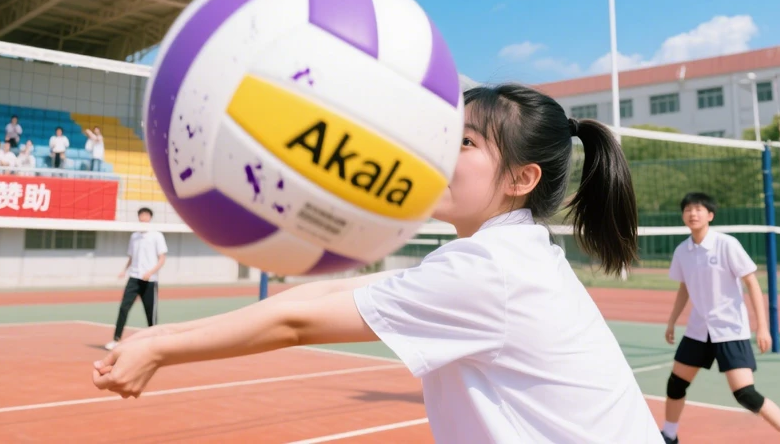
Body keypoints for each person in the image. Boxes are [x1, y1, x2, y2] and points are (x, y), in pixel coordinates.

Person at [92, 84, 663, 443]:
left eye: (465, 143)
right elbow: (325, 296)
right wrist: (168, 333)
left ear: (521, 178)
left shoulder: (492, 271)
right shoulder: (502, 257)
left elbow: (298, 324)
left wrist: (163, 352)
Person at [660, 192, 780, 443]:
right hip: (698, 330)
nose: (692, 213)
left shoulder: (727, 244)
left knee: (745, 393)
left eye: (698, 209)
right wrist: (672, 321)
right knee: (675, 384)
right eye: (688, 209)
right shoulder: (682, 251)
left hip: (730, 329)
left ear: (710, 215)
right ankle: (669, 435)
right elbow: (684, 287)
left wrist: (763, 327)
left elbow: (751, 282)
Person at [104, 207, 167, 351]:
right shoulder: (134, 236)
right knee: (123, 308)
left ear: (150, 217)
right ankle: (116, 339)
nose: (143, 217)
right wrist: (124, 270)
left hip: (149, 280)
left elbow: (162, 259)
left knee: (150, 312)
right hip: (134, 277)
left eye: (146, 215)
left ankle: (154, 341)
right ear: (139, 217)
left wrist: (151, 272)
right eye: (141, 215)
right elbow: (131, 257)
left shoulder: (157, 235)